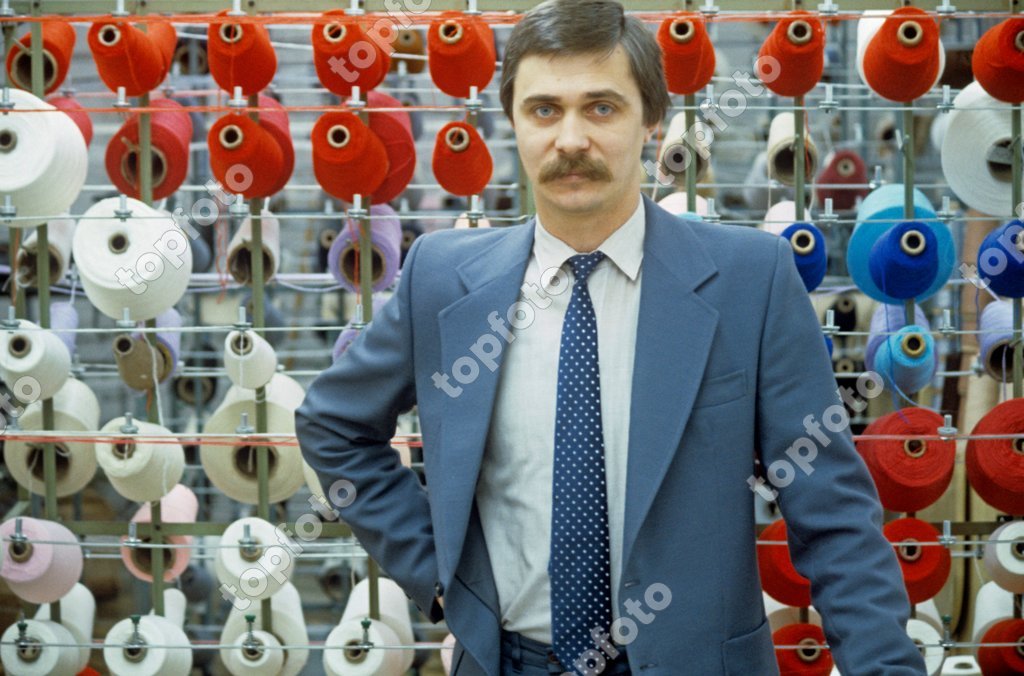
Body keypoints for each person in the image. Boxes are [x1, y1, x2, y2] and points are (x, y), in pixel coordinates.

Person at [296, 1, 927, 674]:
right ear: (512, 121)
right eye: (544, 110)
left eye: (601, 108)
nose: (570, 138)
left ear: (652, 120)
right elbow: (335, 427)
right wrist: (444, 578)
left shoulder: (750, 281)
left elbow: (832, 516)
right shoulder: (443, 280)